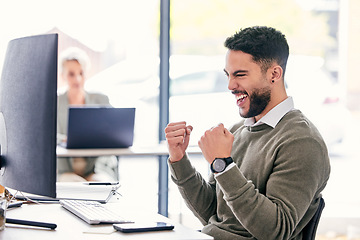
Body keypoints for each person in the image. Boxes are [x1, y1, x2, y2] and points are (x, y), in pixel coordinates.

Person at [165, 26, 331, 240]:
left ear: (274, 74)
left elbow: (275, 231)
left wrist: (223, 165)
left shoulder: (302, 141)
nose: (230, 85)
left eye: (240, 75)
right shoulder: (237, 131)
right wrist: (179, 159)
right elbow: (215, 215)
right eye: (228, 75)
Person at [57, 47, 118, 182]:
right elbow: (43, 136)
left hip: (96, 166)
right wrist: (63, 140)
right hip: (65, 169)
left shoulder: (101, 100)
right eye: (71, 74)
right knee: (77, 185)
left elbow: (116, 131)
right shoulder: (54, 103)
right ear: (63, 76)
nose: (77, 79)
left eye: (81, 73)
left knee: (101, 183)